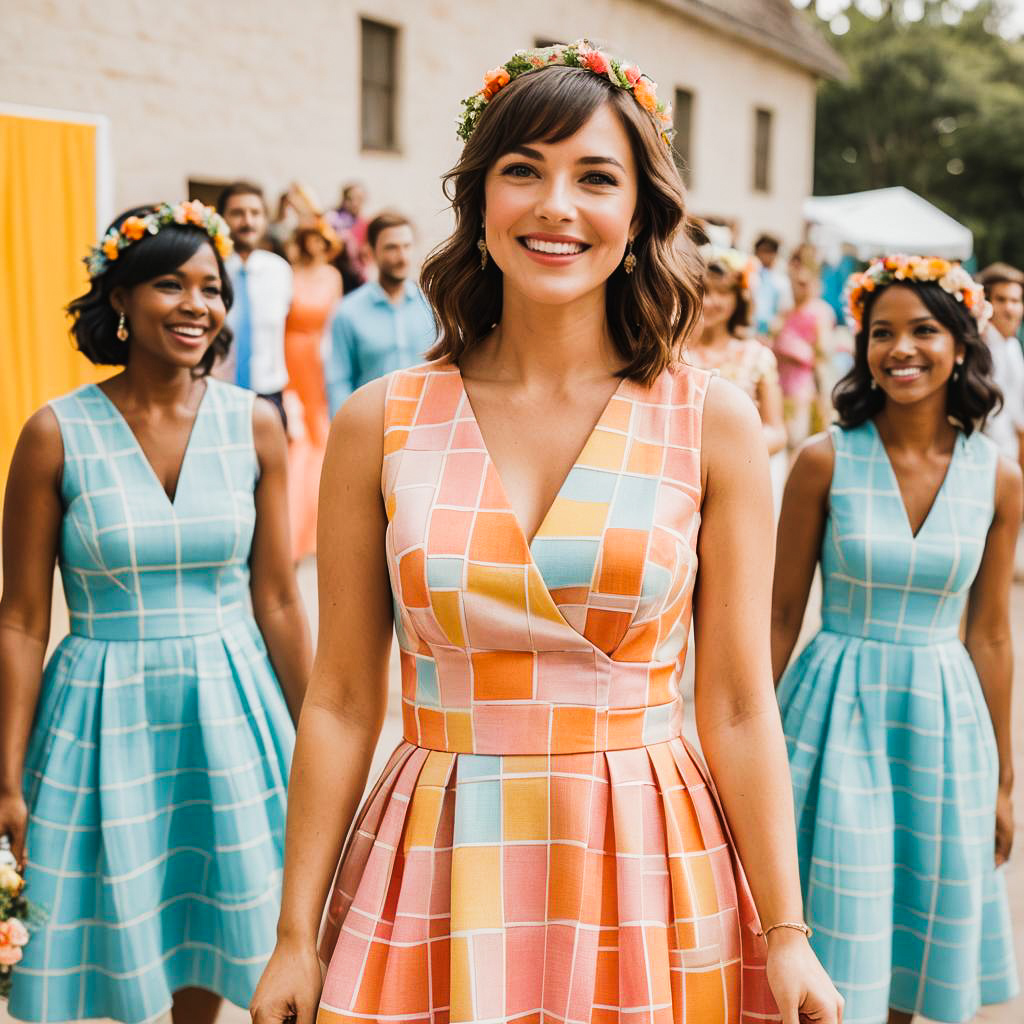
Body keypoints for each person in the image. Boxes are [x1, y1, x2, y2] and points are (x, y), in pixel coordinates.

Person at [251, 39, 842, 1024]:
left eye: (595, 178)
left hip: (644, 853)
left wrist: (786, 932)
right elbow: (345, 698)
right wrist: (290, 936)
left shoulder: (710, 420)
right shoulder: (378, 421)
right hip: (434, 848)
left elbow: (737, 704)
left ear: (641, 213)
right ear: (479, 203)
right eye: (521, 170)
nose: (555, 205)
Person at [0, 201, 312, 1023]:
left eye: (212, 288)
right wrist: (5, 770)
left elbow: (277, 597)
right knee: (119, 932)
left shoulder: (256, 425)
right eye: (171, 284)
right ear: (121, 302)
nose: (197, 305)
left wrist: (318, 733)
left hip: (232, 708)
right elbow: (23, 618)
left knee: (220, 926)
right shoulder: (53, 435)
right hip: (101, 714)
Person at [771, 255, 1020, 1024]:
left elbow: (990, 631)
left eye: (923, 330)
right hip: (833, 713)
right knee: (835, 932)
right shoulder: (823, 461)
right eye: (882, 333)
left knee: (914, 934)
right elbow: (779, 614)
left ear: (960, 341)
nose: (901, 349)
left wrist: (1006, 782)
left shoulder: (1000, 477)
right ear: (863, 347)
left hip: (944, 724)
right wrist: (742, 742)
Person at [323, 211, 437, 417]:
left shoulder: (433, 307)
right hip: (373, 428)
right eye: (391, 248)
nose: (402, 257)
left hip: (426, 422)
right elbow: (338, 382)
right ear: (370, 253)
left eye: (407, 246)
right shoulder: (347, 312)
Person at [685, 246, 786, 457]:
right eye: (703, 290)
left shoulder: (757, 357)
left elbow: (776, 431)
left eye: (722, 292)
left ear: (738, 298)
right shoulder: (674, 350)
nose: (709, 301)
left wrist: (730, 455)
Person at [285, 218, 343, 561]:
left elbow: (334, 323)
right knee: (297, 437)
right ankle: (292, 526)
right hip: (289, 353)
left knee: (319, 433)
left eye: (318, 239)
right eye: (307, 238)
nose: (312, 246)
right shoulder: (289, 273)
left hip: (319, 355)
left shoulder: (333, 277)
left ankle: (315, 528)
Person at [216, 181, 293, 427]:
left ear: (265, 219)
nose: (247, 221)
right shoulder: (210, 270)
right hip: (218, 393)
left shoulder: (280, 270)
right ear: (222, 219)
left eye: (255, 213)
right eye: (237, 213)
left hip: (270, 394)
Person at [773, 244, 835, 448]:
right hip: (779, 386)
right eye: (793, 282)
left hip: (802, 390)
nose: (797, 288)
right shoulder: (786, 311)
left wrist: (792, 347)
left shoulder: (819, 312)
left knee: (796, 443)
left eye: (802, 283)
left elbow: (822, 356)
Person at [977, 262, 1024, 476]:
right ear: (986, 304)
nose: (1009, 308)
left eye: (1015, 300)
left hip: (1009, 460)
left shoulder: (1012, 346)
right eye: (1001, 300)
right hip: (984, 461)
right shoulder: (977, 349)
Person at [326, 181, 369, 292]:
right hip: (334, 275)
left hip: (356, 279)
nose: (355, 203)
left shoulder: (365, 225)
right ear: (344, 200)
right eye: (350, 199)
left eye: (359, 199)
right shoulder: (332, 220)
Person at [752, 233, 793, 338]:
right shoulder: (748, 274)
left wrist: (770, 331)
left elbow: (783, 313)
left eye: (769, 251)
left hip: (766, 334)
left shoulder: (781, 282)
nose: (765, 255)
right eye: (762, 250)